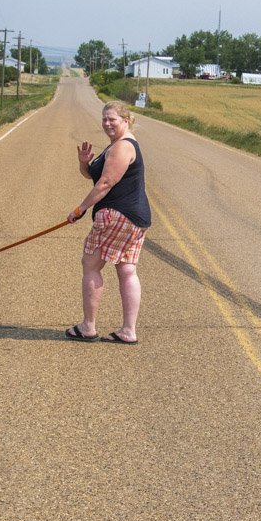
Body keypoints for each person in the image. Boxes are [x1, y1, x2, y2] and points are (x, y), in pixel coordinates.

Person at [64, 100, 151, 344]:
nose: (107, 123)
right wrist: (84, 162)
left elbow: (105, 183)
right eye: (104, 119)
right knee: (126, 268)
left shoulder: (123, 147)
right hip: (136, 216)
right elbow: (94, 176)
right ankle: (128, 331)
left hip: (117, 214)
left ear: (126, 120)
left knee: (91, 264)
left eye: (112, 119)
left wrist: (81, 209)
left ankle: (88, 326)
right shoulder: (117, 145)